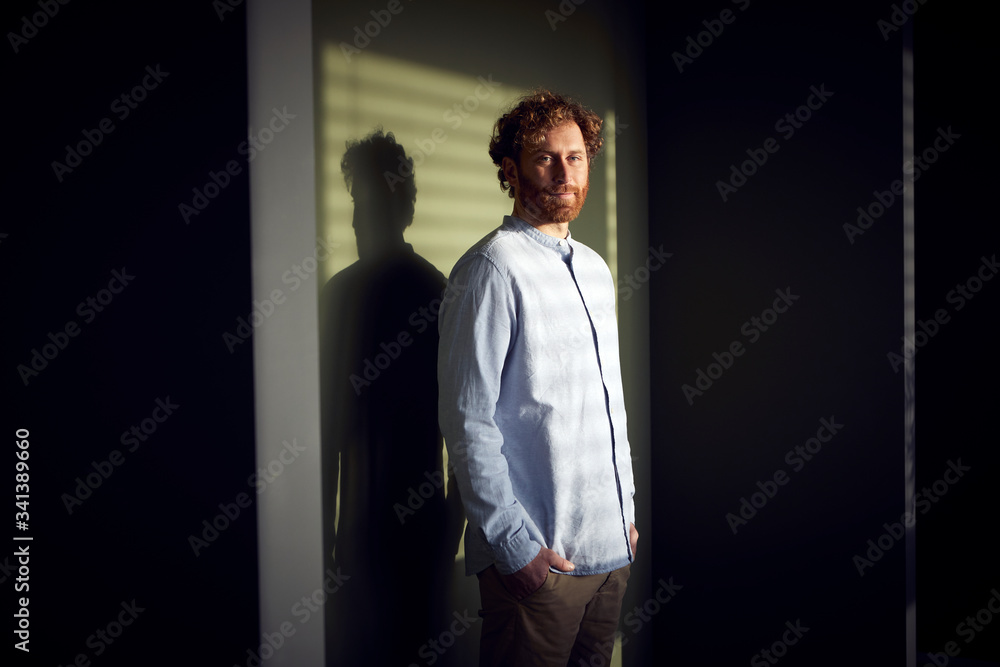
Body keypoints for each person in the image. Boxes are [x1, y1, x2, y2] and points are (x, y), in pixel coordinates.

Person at [438, 90, 637, 666]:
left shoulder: (595, 268)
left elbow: (604, 404)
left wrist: (625, 515)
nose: (563, 172)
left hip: (610, 556)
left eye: (575, 157)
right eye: (545, 157)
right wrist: (514, 547)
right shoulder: (490, 269)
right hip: (541, 563)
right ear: (511, 169)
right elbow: (466, 420)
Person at [320, 129, 464, 665]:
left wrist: (450, 526)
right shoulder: (431, 291)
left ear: (400, 208)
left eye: (366, 201)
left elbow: (466, 425)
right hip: (382, 539)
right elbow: (325, 435)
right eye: (356, 202)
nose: (358, 218)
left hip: (397, 541)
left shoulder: (433, 296)